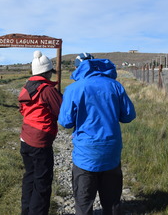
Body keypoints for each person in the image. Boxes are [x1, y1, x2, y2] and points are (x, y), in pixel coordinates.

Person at [58, 53, 136, 215]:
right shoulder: (115, 86)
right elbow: (128, 116)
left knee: (84, 201)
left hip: (85, 154)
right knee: (112, 201)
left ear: (77, 68)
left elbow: (65, 122)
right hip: (111, 152)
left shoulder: (73, 89)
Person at [18, 50, 63, 215]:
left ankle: (26, 211)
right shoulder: (47, 90)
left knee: (29, 177)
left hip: (25, 138)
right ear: (47, 71)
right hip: (40, 142)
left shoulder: (27, 87)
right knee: (42, 183)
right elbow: (61, 112)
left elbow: (22, 110)